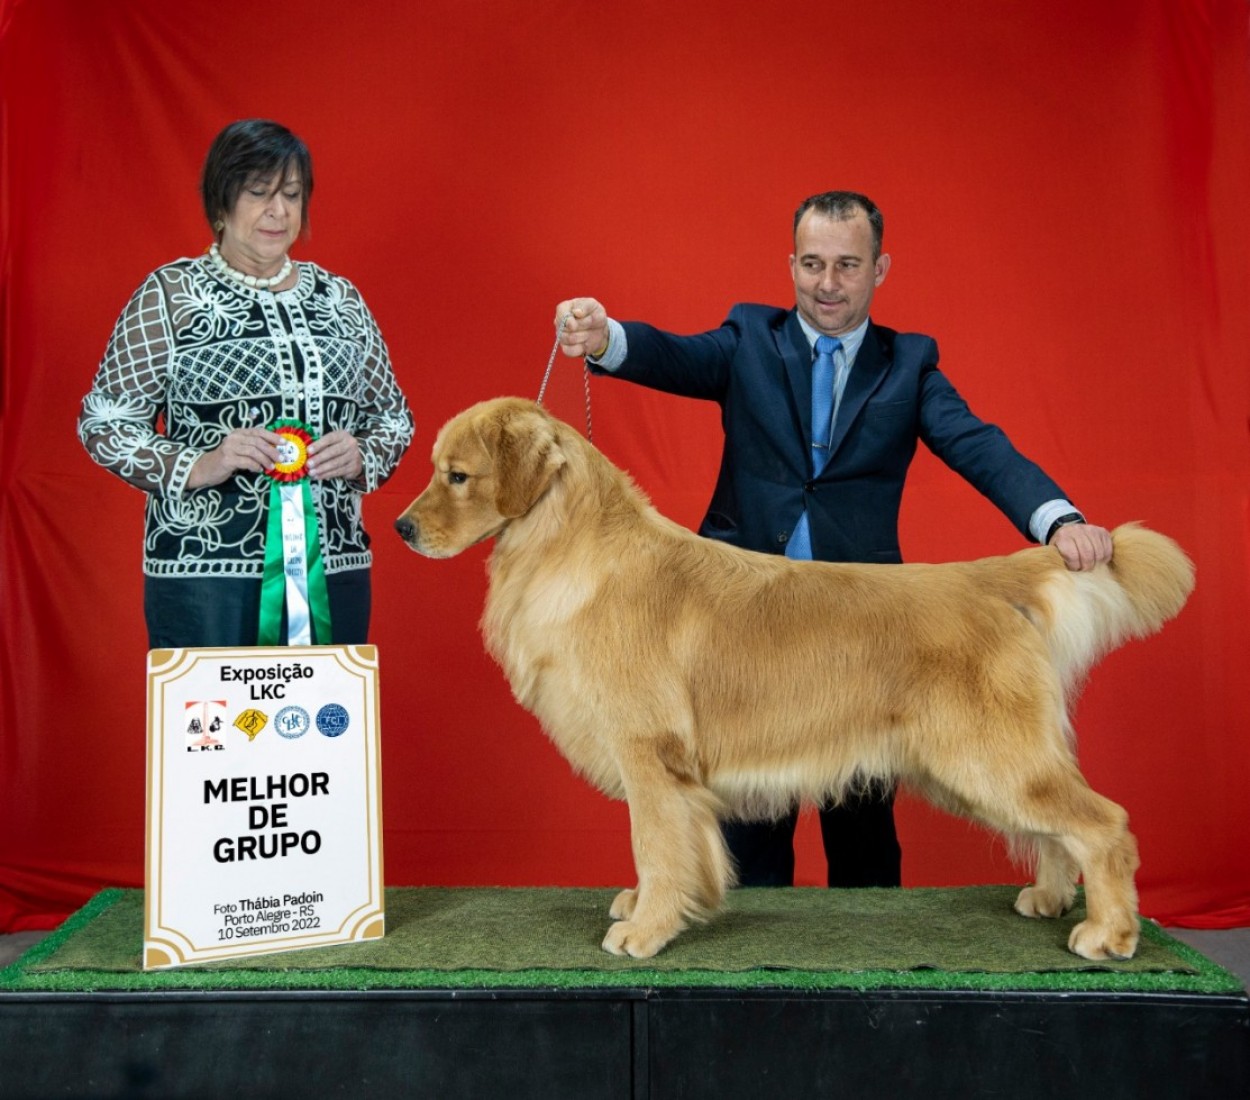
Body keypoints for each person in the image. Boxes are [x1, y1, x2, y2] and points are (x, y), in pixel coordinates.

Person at [554, 190, 1112, 889]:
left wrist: (1057, 520)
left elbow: (978, 446)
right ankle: (744, 958)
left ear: (880, 270)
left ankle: (874, 968)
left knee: (865, 846)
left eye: (847, 265)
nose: (827, 283)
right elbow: (671, 355)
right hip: (747, 633)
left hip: (868, 635)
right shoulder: (747, 340)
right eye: (813, 264)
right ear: (790, 265)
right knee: (750, 840)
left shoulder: (908, 367)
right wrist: (607, 337)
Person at [78, 119, 413, 649]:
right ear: (221, 202)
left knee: (324, 730)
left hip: (334, 571)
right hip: (202, 579)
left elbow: (392, 417)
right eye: (259, 193)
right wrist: (198, 464)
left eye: (292, 195)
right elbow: (106, 422)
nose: (278, 211)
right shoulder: (170, 294)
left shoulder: (341, 299)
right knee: (214, 734)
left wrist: (363, 454)